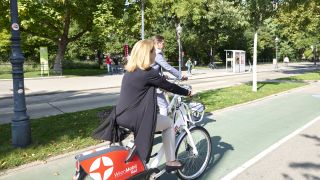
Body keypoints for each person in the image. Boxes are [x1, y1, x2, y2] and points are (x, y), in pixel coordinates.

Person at [94, 39, 191, 169]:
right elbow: (170, 87)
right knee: (168, 124)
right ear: (148, 54)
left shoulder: (131, 70)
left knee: (142, 135)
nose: (155, 55)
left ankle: (133, 160)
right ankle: (171, 161)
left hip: (121, 116)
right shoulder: (149, 73)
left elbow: (152, 82)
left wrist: (162, 79)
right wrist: (187, 92)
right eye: (153, 52)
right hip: (136, 118)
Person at [152, 35, 188, 116]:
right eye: (163, 43)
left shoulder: (151, 52)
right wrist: (181, 76)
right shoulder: (156, 53)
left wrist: (163, 75)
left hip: (151, 81)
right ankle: (164, 126)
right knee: (164, 106)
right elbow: (168, 67)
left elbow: (154, 67)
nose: (164, 45)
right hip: (154, 84)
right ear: (158, 43)